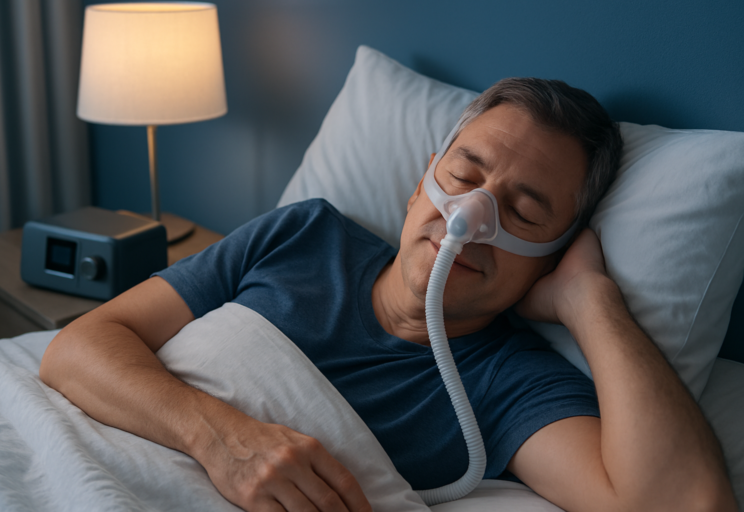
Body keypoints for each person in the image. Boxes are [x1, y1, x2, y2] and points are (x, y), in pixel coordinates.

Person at [40, 78, 737, 512]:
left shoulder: (508, 385)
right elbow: (78, 349)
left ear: (547, 261)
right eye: (465, 175)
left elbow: (684, 503)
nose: (471, 218)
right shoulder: (303, 235)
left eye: (524, 215)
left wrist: (591, 303)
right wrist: (221, 438)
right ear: (419, 185)